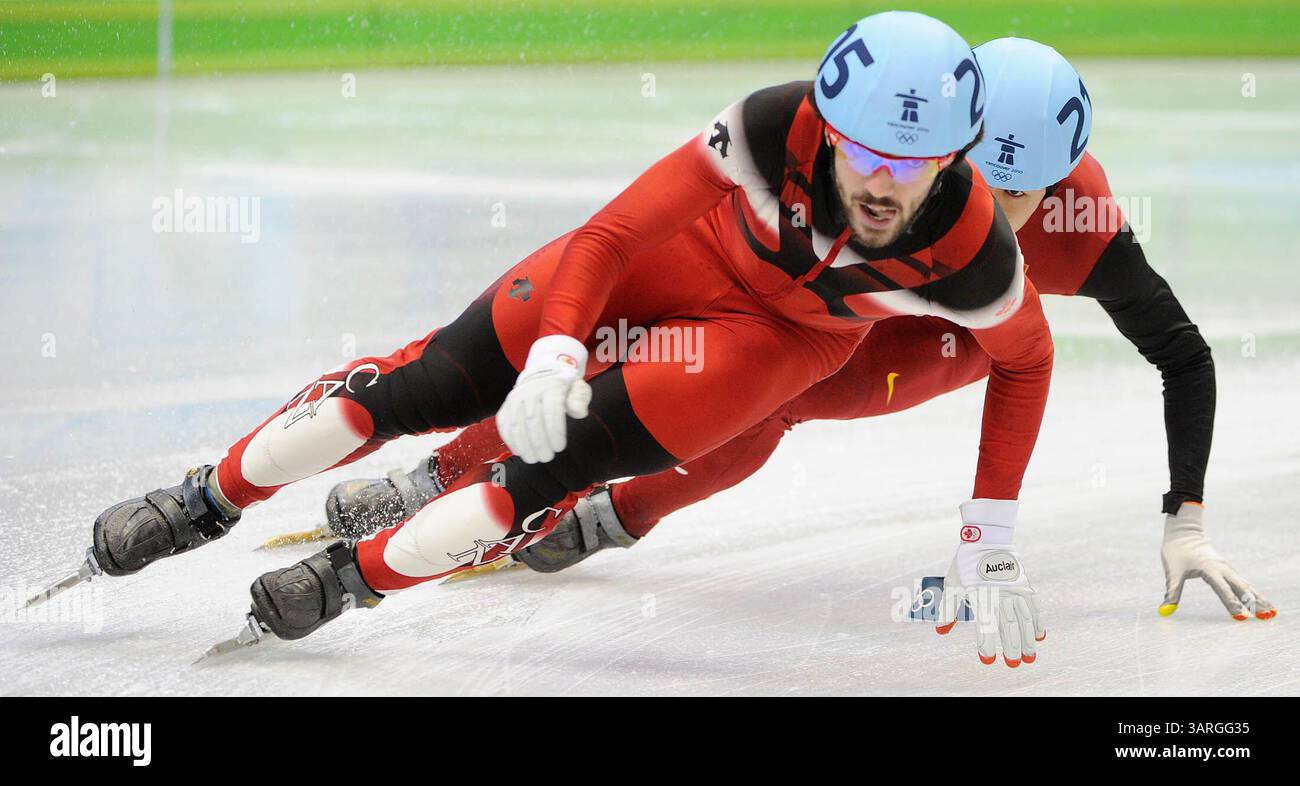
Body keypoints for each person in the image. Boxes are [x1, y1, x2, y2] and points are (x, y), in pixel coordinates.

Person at [37, 13, 1055, 665]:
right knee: (427, 382)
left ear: (957, 154)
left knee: (548, 470)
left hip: (776, 341)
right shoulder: (765, 123)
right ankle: (205, 499)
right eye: (864, 147)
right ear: (826, 123)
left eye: (914, 160)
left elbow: (1026, 363)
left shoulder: (975, 257)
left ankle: (351, 584)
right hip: (686, 255)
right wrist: (565, 345)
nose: (882, 182)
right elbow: (614, 235)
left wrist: (991, 533)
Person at [323, 38, 1276, 629]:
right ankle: (441, 475)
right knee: (655, 341)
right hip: (840, 291)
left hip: (931, 336)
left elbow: (1182, 356)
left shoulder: (1084, 234)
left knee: (774, 402)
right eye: (970, 178)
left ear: (1062, 186)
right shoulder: (898, 169)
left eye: (1023, 195)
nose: (994, 207)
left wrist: (1185, 517)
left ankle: (610, 518)